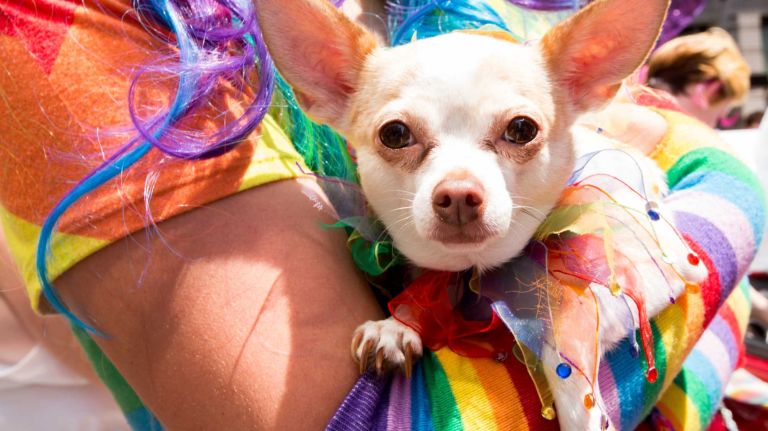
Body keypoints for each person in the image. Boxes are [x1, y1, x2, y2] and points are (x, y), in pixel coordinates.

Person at [0, 0, 761, 430]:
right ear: (323, 86)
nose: (456, 186)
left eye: (517, 131)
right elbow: (377, 419)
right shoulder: (62, 29)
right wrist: (722, 187)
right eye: (400, 136)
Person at [646, 27, 751, 129]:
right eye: (718, 116)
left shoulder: (638, 125)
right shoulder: (691, 142)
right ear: (710, 90)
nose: (723, 117)